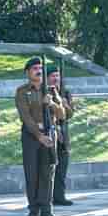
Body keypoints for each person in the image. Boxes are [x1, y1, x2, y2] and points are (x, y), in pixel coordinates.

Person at [15, 57, 65, 216]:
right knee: (32, 174)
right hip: (32, 136)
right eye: (35, 68)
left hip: (50, 134)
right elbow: (26, 117)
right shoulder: (22, 91)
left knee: (48, 173)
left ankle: (47, 211)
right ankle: (33, 210)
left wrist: (51, 104)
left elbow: (62, 114)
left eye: (40, 68)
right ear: (28, 72)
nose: (38, 71)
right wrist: (39, 135)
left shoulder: (51, 90)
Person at [47, 64, 75, 206]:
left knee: (62, 167)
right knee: (49, 167)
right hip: (50, 132)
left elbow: (69, 115)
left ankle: (60, 195)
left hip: (63, 134)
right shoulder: (45, 92)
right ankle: (47, 197)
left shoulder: (65, 92)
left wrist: (65, 105)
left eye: (57, 76)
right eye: (52, 76)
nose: (55, 78)